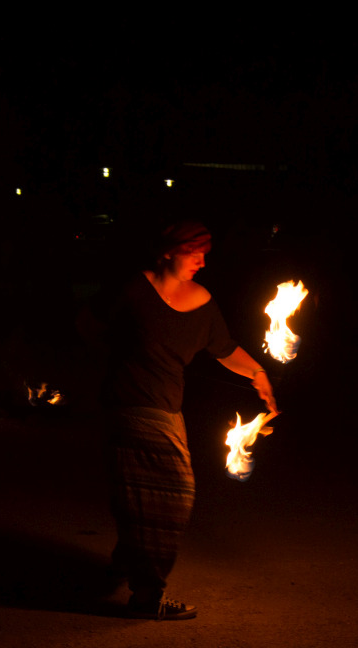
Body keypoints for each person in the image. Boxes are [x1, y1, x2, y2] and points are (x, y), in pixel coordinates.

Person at [92, 221, 276, 620]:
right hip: (128, 405)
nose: (202, 262)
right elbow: (90, 325)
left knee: (137, 497)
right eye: (195, 253)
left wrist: (258, 373)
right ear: (168, 252)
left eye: (205, 254)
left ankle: (126, 564)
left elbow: (223, 348)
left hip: (168, 410)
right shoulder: (133, 289)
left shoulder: (203, 301)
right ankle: (148, 595)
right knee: (173, 494)